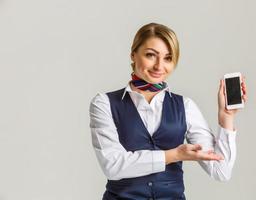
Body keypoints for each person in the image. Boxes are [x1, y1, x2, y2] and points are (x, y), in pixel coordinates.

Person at [89, 22, 247, 200]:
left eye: (168, 58)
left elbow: (221, 171)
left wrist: (226, 117)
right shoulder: (104, 103)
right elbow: (112, 165)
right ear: (133, 55)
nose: (159, 66)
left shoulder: (185, 106)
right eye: (150, 55)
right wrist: (174, 155)